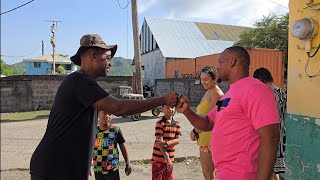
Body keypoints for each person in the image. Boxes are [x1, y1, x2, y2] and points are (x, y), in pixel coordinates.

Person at [30, 34, 179, 180]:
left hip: (61, 167)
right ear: (93, 56)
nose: (110, 63)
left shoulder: (82, 83)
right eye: (107, 58)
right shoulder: (81, 81)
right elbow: (119, 107)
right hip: (54, 169)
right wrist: (162, 99)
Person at [176, 46, 280, 180]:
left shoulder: (256, 89)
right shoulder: (229, 94)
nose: (217, 66)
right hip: (225, 173)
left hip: (243, 174)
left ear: (232, 61)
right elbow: (208, 122)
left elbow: (271, 138)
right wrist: (187, 111)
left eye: (220, 62)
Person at [189, 66, 224, 180]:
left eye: (206, 79)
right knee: (207, 174)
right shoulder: (209, 91)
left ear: (215, 79)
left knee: (209, 175)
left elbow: (213, 120)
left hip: (211, 141)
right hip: (204, 139)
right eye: (201, 79)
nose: (202, 82)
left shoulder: (216, 94)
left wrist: (195, 131)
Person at [253, 67, 287, 180]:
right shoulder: (282, 93)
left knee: (267, 169)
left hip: (268, 136)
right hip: (281, 135)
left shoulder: (267, 94)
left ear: (261, 80)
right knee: (273, 170)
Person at [90, 110, 131, 180]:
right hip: (98, 170)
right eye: (104, 113)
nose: (107, 116)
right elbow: (89, 149)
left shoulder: (115, 130)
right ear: (97, 115)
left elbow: (122, 146)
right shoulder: (93, 132)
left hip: (113, 169)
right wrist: (87, 167)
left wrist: (127, 162)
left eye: (109, 114)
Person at [152, 105, 181, 180]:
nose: (170, 109)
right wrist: (167, 158)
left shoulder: (177, 124)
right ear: (162, 109)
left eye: (172, 107)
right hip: (158, 160)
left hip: (170, 159)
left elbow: (177, 140)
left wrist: (166, 143)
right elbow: (159, 143)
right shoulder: (160, 123)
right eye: (168, 107)